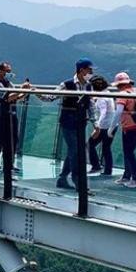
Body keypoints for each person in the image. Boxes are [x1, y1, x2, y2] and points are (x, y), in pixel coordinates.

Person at [44, 58, 94, 189]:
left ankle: (62, 178)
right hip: (68, 122)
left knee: (74, 150)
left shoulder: (88, 86)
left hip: (81, 122)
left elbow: (91, 105)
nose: (91, 72)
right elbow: (51, 96)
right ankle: (78, 180)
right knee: (76, 150)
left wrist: (95, 122)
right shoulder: (67, 84)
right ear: (82, 70)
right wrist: (36, 93)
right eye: (89, 69)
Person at [0, 61, 30, 173]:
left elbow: (16, 97)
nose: (9, 73)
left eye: (10, 71)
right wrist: (21, 88)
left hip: (12, 115)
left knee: (13, 139)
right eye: (7, 71)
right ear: (1, 71)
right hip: (1, 116)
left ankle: (9, 163)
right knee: (0, 139)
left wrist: (25, 92)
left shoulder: (10, 84)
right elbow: (7, 97)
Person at [114, 72, 136, 188]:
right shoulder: (135, 92)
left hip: (128, 126)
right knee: (128, 152)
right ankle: (126, 176)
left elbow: (118, 111)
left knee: (128, 152)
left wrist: (112, 126)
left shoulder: (122, 94)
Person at [88, 75, 116, 178]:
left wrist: (97, 127)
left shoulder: (102, 97)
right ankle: (108, 170)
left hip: (104, 127)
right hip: (112, 125)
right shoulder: (107, 93)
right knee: (106, 148)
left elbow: (103, 112)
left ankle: (96, 166)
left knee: (90, 144)